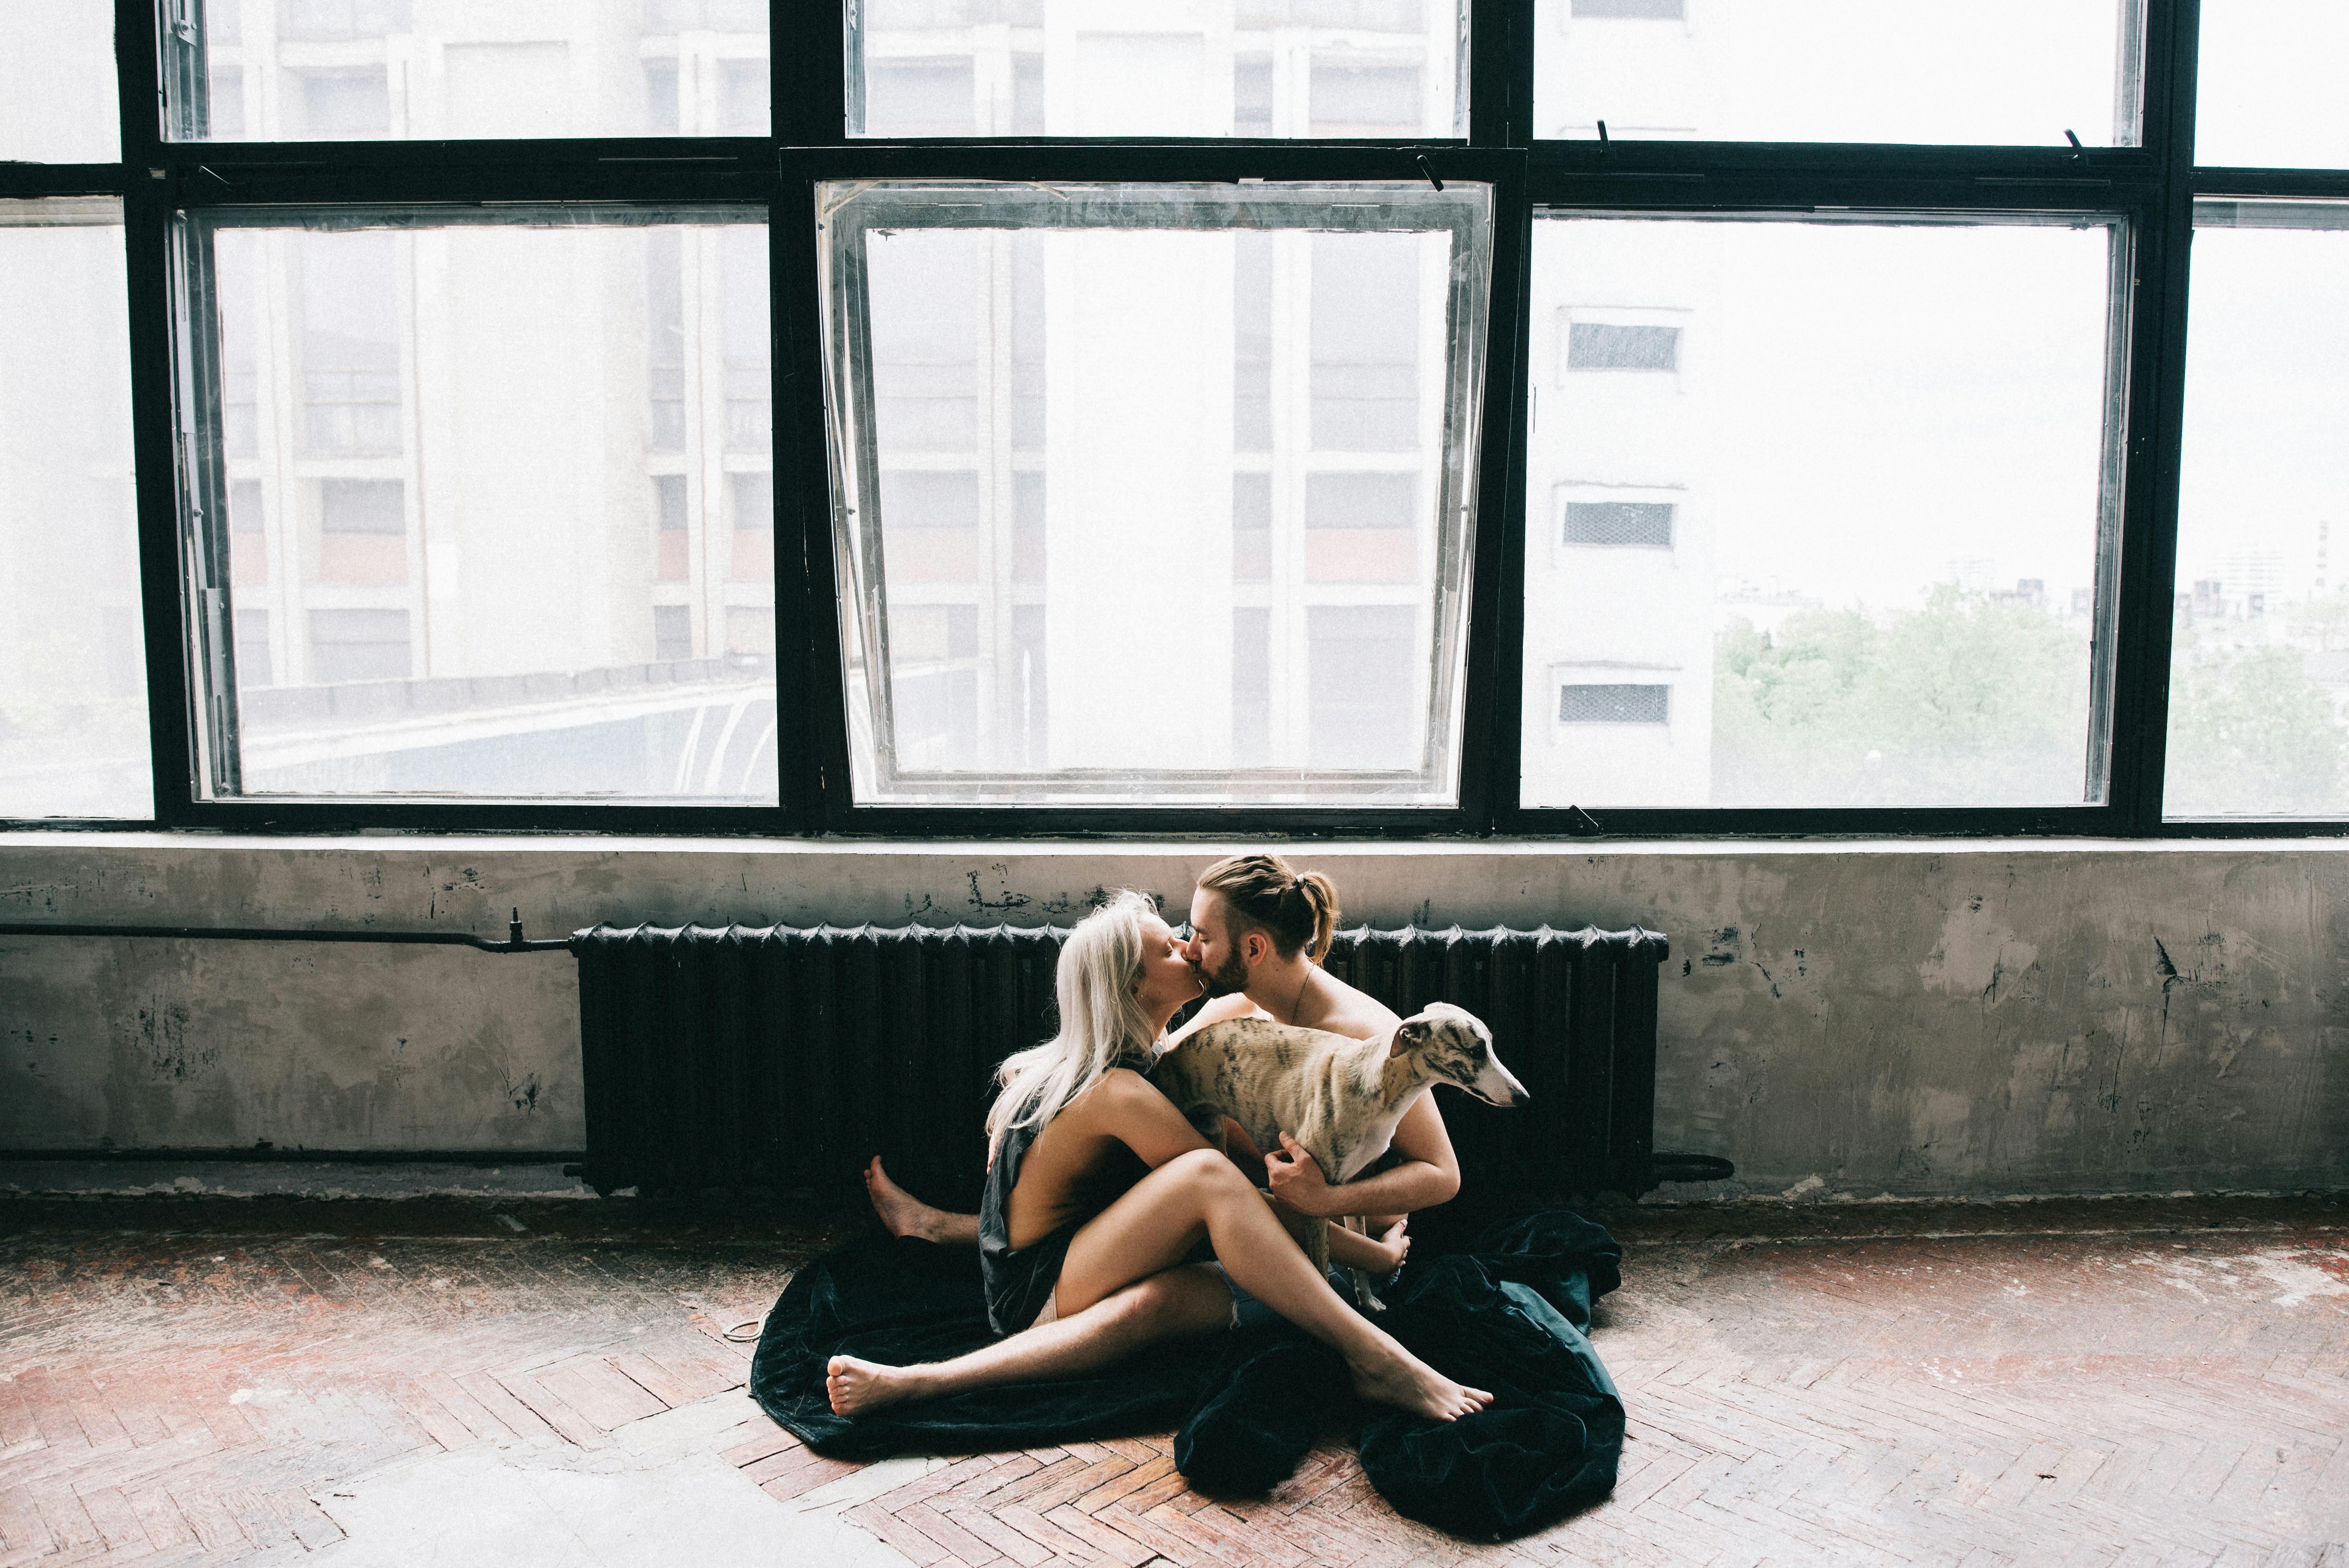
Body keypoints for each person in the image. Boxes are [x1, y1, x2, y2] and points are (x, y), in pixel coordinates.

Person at [825, 889, 1491, 1422]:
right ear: (1135, 990)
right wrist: (1375, 1254)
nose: (1188, 948)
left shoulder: (1143, 1052)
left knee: (1169, 1298)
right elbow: (1236, 1197)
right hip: (1038, 1287)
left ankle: (937, 1234)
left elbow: (1240, 1015)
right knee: (1207, 1175)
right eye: (1170, 948)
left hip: (1068, 1245)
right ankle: (1378, 1358)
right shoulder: (1121, 1091)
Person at [867, 853, 1459, 1245]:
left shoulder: (1362, 1033)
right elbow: (1145, 1058)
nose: (1190, 947)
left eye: (1200, 936)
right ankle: (944, 1229)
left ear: (1252, 949)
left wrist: (1330, 1198)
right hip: (1272, 1189)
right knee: (1159, 1127)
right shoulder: (1239, 1004)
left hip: (1348, 1210)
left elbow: (1441, 1175)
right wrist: (1028, 1091)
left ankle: (947, 1230)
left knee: (1184, 1141)